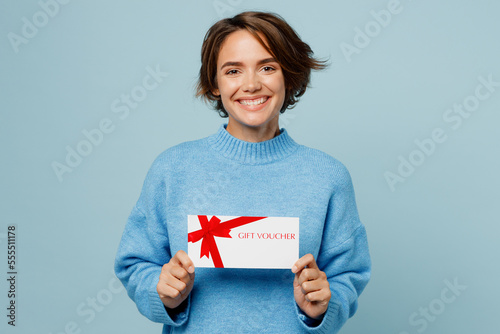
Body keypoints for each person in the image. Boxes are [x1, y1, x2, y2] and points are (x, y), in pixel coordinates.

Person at [114, 11, 371, 333]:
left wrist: (322, 306)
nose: (251, 84)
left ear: (289, 77)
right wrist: (161, 289)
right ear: (214, 84)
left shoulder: (327, 176)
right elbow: (136, 264)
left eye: (267, 67)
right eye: (233, 70)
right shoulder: (173, 168)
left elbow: (349, 276)